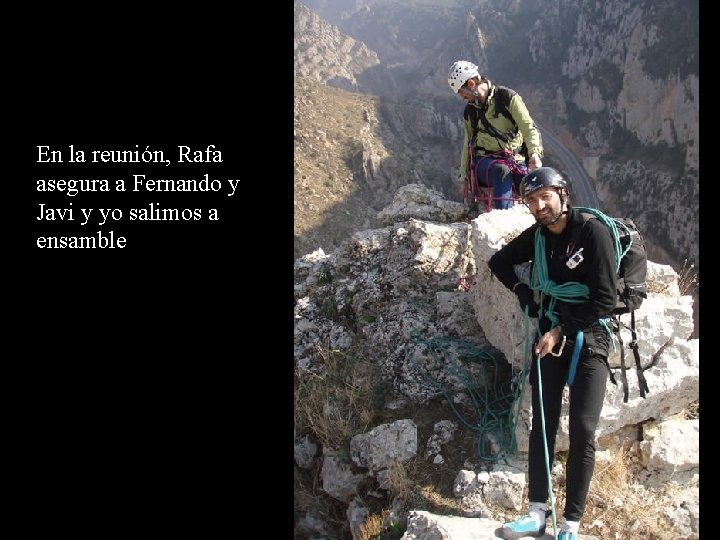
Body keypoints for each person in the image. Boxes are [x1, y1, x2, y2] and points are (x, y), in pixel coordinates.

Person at [487, 167, 617, 540]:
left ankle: (572, 524)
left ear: (563, 194)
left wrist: (561, 330)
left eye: (545, 196)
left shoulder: (591, 233)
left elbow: (605, 299)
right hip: (551, 330)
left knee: (582, 428)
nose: (539, 206)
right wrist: (523, 292)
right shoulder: (539, 237)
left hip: (589, 336)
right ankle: (537, 512)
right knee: (542, 422)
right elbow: (499, 262)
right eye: (531, 200)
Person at [447, 60, 544, 210]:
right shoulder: (470, 112)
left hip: (515, 160)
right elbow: (468, 144)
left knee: (531, 184)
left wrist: (534, 154)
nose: (462, 97)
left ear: (471, 84)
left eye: (462, 92)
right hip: (485, 163)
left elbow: (529, 128)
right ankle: (504, 221)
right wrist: (463, 178)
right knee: (501, 171)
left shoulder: (507, 98)